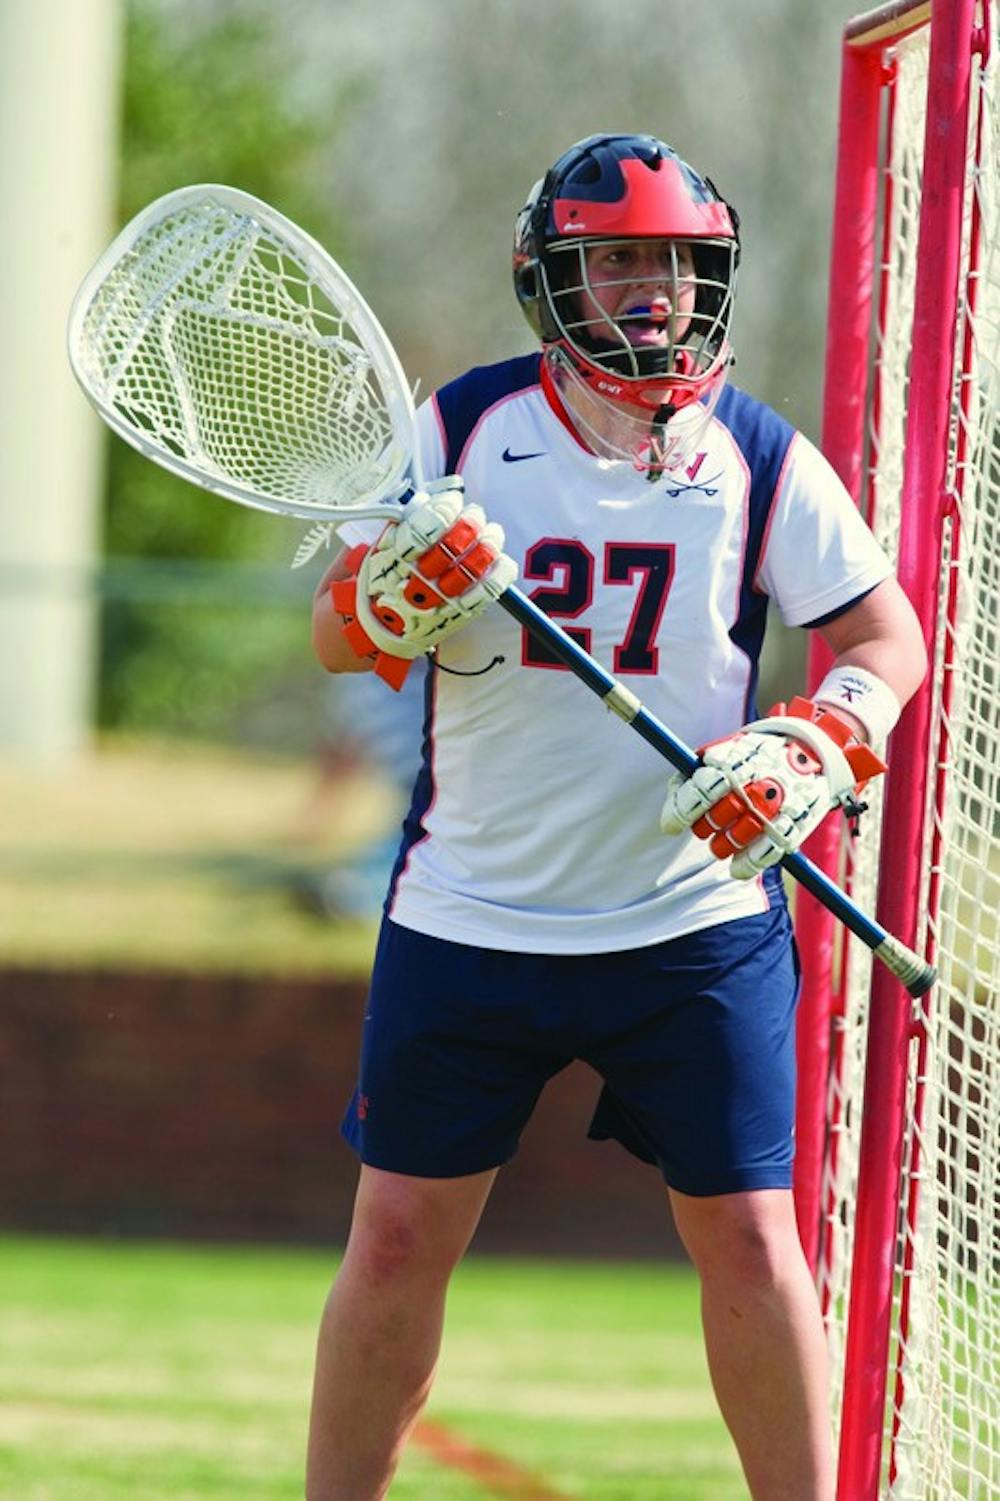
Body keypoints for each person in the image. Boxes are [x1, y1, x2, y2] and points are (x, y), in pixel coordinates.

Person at [306, 133, 927, 1500]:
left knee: (755, 1240)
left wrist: (819, 740)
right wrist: (382, 604)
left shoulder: (756, 451)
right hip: (476, 912)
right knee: (400, 1234)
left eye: (681, 263)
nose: (655, 290)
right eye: (621, 259)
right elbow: (338, 634)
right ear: (552, 278)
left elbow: (888, 637)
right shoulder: (463, 426)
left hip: (689, 922)